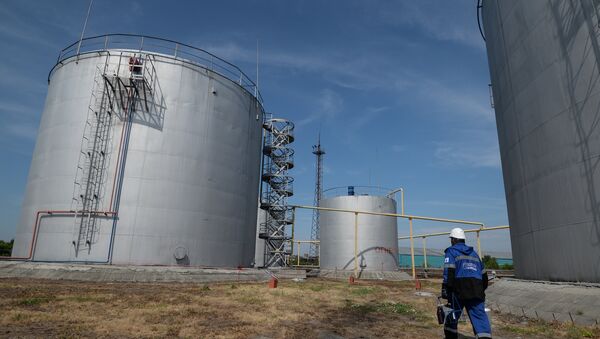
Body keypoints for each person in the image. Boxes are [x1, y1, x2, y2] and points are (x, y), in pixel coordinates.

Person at [442, 227, 491, 339]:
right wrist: (481, 289)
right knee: (479, 317)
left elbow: (449, 271)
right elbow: (484, 275)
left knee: (452, 315)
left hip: (459, 289)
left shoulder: (451, 251)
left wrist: (446, 290)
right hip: (476, 289)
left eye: (451, 239)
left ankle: (450, 336)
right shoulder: (474, 254)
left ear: (453, 240)